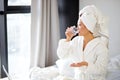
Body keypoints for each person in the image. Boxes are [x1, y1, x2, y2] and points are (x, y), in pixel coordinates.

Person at [56, 5, 109, 80]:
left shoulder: (100, 46)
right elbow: (62, 55)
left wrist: (86, 65)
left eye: (80, 25)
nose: (77, 28)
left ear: (89, 26)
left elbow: (102, 70)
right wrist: (68, 38)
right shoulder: (76, 41)